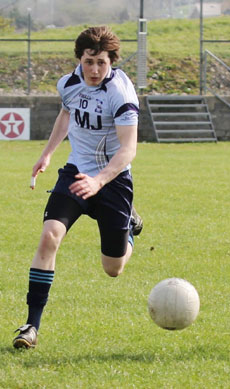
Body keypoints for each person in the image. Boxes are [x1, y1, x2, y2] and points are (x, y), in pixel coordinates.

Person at [13, 26, 143, 349]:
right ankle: (31, 326)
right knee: (49, 236)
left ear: (111, 60)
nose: (95, 70)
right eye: (89, 62)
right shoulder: (69, 83)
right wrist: (47, 154)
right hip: (75, 174)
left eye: (101, 62)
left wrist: (99, 181)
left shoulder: (121, 94)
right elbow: (66, 114)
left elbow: (129, 149)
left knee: (113, 268)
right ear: (79, 59)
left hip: (112, 181)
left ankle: (130, 226)